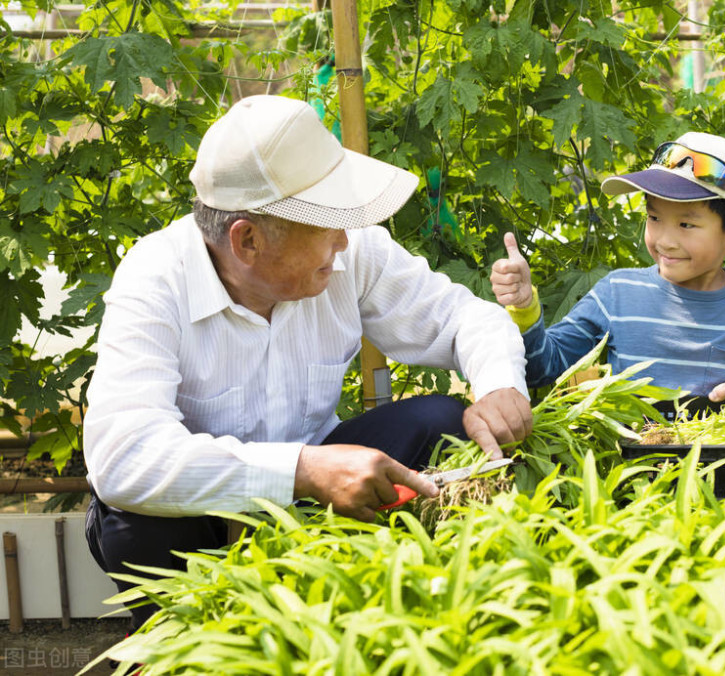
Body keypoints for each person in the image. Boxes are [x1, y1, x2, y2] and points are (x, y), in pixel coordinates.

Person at [83, 95, 533, 630]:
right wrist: (302, 470)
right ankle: (178, 645)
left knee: (441, 421)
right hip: (199, 518)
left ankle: (377, 612)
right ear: (247, 240)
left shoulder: (350, 252)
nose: (345, 239)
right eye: (324, 223)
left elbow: (464, 318)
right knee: (136, 520)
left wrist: (500, 384)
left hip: (319, 495)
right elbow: (125, 457)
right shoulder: (156, 279)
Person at [490, 131, 725, 401]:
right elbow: (541, 368)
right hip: (635, 466)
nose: (665, 241)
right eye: (654, 218)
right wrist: (524, 308)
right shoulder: (617, 294)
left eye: (686, 224)